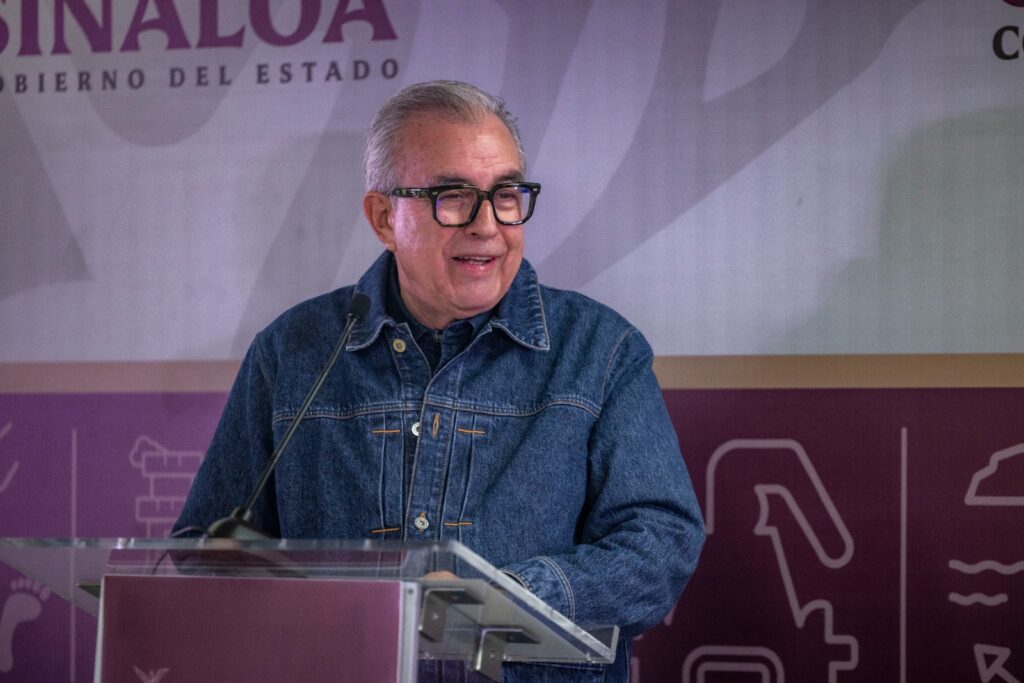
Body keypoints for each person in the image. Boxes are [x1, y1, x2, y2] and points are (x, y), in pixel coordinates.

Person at [175, 80, 705, 682]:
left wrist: (498, 600)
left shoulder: (601, 350)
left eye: (506, 195)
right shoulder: (291, 352)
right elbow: (203, 547)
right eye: (453, 197)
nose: (487, 225)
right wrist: (317, 606)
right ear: (383, 217)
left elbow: (659, 544)